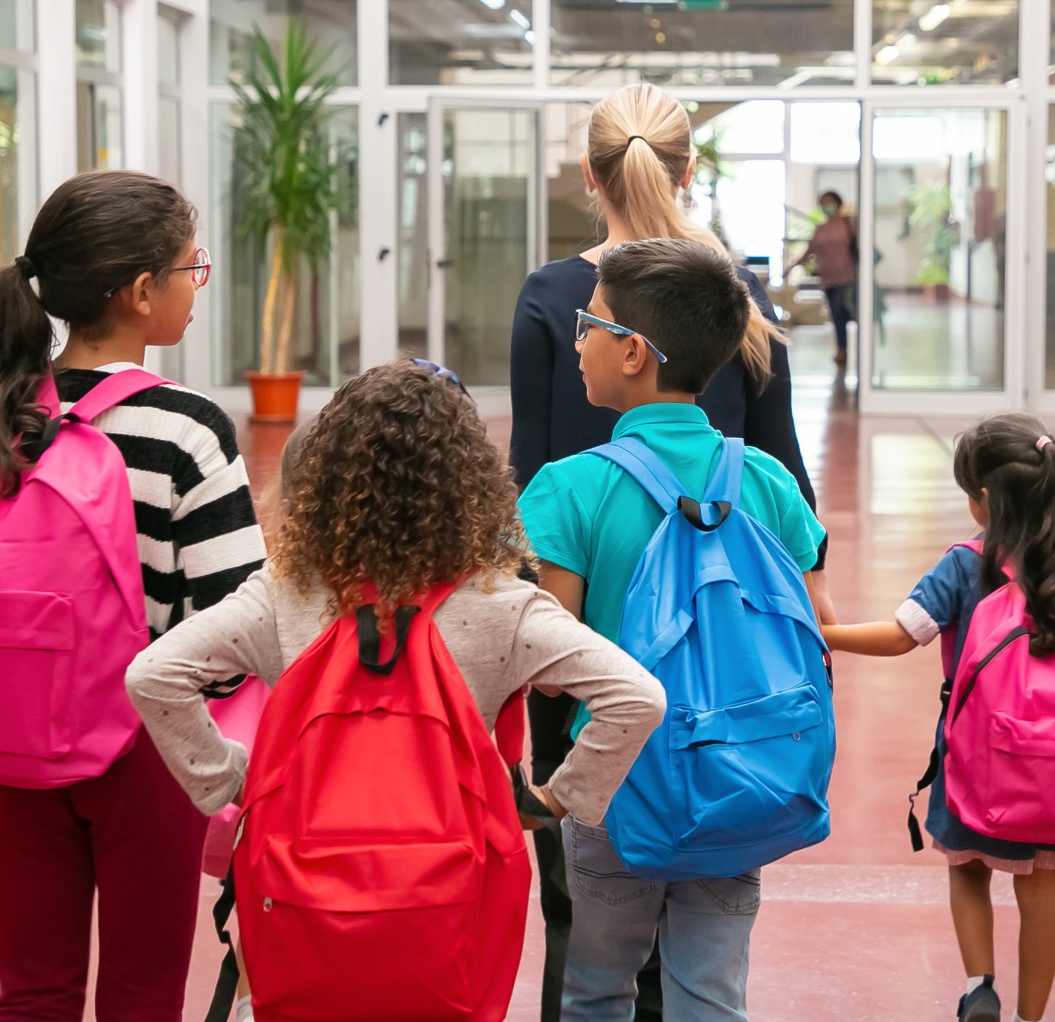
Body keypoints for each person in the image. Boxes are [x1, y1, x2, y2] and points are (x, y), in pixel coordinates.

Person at [124, 355, 667, 928]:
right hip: (445, 899)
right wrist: (558, 800)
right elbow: (636, 698)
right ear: (470, 485)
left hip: (303, 894)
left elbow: (154, 676)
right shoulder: (504, 607)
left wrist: (236, 782)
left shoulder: (282, 598)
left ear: (327, 479)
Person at [509, 82, 831, 1022]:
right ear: (690, 171)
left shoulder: (556, 301)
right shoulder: (733, 298)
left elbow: (532, 466)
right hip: (731, 708)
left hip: (598, 667)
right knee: (709, 960)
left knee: (590, 940)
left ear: (589, 176)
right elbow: (792, 495)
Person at [0, 170, 266, 1022]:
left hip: (12, 740)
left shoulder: (10, 413)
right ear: (142, 291)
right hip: (145, 749)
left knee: (29, 989)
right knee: (142, 991)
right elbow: (234, 624)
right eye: (193, 268)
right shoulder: (185, 427)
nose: (198, 284)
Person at [821, 413, 1055, 1022]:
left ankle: (980, 986)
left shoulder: (967, 565)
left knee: (967, 865)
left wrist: (826, 634)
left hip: (978, 755)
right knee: (1040, 887)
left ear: (986, 501)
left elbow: (900, 636)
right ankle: (1031, 1015)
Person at [784, 189, 857, 365]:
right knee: (837, 315)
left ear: (838, 203)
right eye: (823, 202)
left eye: (829, 201)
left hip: (849, 278)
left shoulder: (850, 223)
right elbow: (810, 251)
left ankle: (846, 350)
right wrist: (790, 268)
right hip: (828, 279)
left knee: (843, 313)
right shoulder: (821, 229)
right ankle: (842, 349)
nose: (826, 206)